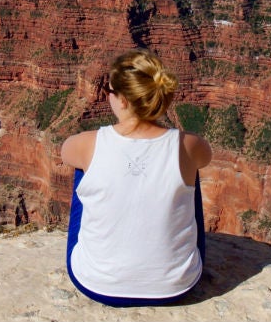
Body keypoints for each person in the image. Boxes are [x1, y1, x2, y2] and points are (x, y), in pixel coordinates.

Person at [60, 49, 213, 306]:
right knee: (187, 174)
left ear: (122, 101)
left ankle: (106, 257)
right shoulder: (189, 145)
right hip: (176, 286)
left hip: (96, 283)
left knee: (84, 170)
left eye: (108, 91)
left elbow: (65, 153)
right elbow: (205, 159)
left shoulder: (87, 143)